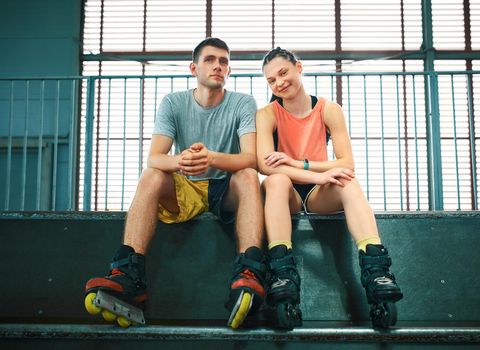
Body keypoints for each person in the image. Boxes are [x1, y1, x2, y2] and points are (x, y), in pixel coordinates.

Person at [84, 38, 266, 329]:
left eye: (224, 61)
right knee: (151, 175)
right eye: (210, 60)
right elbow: (155, 158)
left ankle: (249, 270)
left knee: (247, 176)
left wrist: (213, 159)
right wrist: (181, 161)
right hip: (185, 188)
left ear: (229, 71)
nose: (218, 65)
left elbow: (251, 158)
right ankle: (129, 275)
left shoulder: (243, 102)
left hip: (224, 188)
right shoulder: (173, 102)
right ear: (194, 67)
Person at [256, 47, 403, 329]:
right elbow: (265, 166)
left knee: (348, 181)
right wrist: (317, 175)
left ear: (298, 67)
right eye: (271, 80)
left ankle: (376, 270)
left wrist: (302, 165)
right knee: (275, 180)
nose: (279, 83)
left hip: (316, 194)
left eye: (283, 73)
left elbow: (347, 162)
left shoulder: (329, 109)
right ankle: (282, 271)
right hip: (287, 192)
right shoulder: (267, 114)